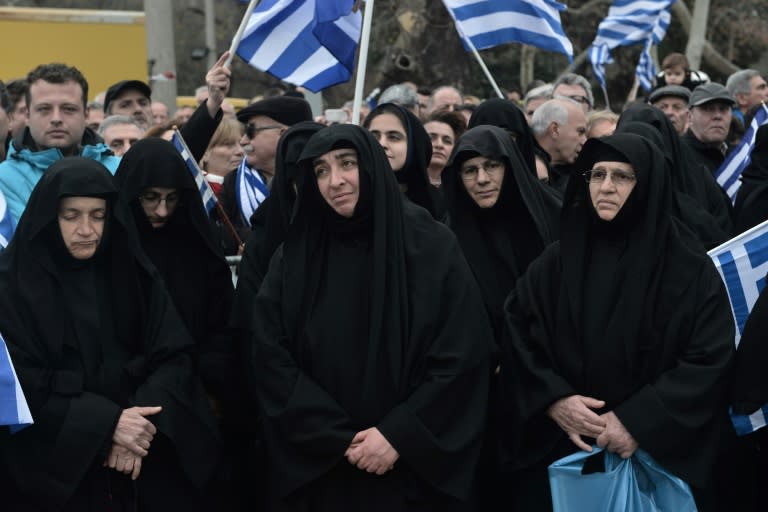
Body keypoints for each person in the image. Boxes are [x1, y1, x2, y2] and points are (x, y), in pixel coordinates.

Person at [250, 123, 492, 510]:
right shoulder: (295, 257)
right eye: (322, 171)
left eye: (347, 164)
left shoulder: (430, 246)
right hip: (323, 470)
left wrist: (399, 434)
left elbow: (462, 352)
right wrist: (335, 437)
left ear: (372, 166)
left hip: (414, 470)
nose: (335, 181)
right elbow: (271, 354)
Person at [498, 133, 734, 511]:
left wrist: (637, 421)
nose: (606, 187)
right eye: (597, 175)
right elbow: (518, 335)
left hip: (656, 460)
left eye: (623, 177)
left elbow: (708, 357)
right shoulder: (557, 261)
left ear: (649, 184)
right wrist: (553, 399)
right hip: (563, 454)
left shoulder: (687, 268)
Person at [0, 157, 221, 510]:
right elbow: (19, 382)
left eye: (98, 215)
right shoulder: (13, 286)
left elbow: (173, 355)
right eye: (70, 215)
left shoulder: (134, 274)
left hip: (142, 455)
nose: (86, 229)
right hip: (54, 467)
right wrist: (106, 427)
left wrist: (135, 428)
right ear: (47, 217)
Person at [113, 138, 248, 509]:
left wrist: (206, 382)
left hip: (194, 407)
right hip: (126, 412)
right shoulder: (113, 254)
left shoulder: (196, 250)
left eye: (172, 199)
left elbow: (224, 324)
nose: (161, 210)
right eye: (150, 197)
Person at [443, 125, 561, 510]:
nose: (482, 179)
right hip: (481, 407)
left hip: (551, 397)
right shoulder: (443, 241)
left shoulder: (552, 222)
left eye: (492, 166)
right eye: (469, 170)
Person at [0, 63, 121, 224]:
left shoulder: (120, 170)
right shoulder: (4, 179)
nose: (56, 118)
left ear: (85, 115)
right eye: (44, 109)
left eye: (68, 109)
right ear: (27, 115)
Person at [363, 102, 439, 219]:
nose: (382, 144)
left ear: (413, 147)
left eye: (393, 137)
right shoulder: (349, 198)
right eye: (374, 137)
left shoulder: (440, 204)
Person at [531, 98, 588, 193]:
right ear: (555, 129)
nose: (584, 141)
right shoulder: (519, 170)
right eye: (580, 132)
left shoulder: (585, 175)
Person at [683, 82, 736, 177]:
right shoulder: (678, 156)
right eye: (708, 109)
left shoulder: (739, 157)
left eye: (723, 109)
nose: (718, 116)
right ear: (689, 116)